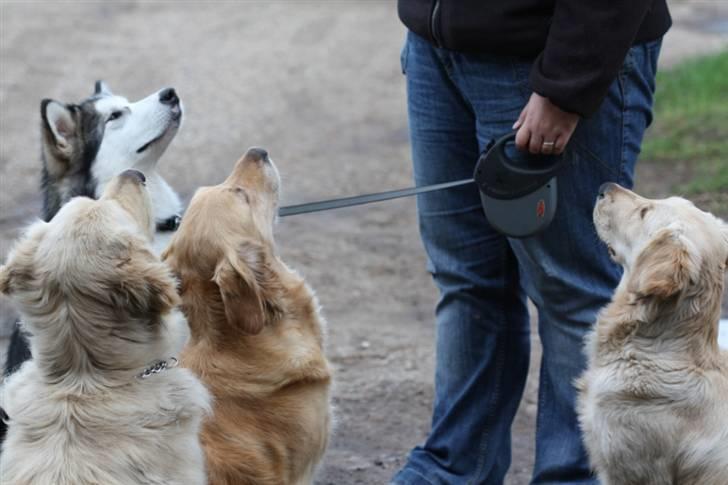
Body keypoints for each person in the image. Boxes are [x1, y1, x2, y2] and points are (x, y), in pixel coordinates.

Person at [392, 1, 670, 484]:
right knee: (468, 281)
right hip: (438, 49)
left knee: (574, 293)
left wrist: (567, 85)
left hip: (547, 59)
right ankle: (453, 469)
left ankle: (571, 477)